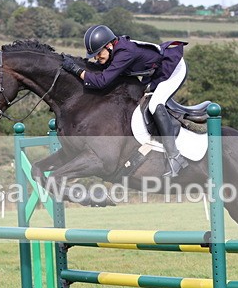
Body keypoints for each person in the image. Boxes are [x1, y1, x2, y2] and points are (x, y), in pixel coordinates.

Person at [61, 24, 189, 177]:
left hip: (173, 68)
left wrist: (75, 70)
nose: (97, 57)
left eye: (98, 53)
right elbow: (99, 70)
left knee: (155, 105)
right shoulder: (114, 50)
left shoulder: (125, 53)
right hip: (156, 72)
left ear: (109, 45)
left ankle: (175, 157)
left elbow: (101, 82)